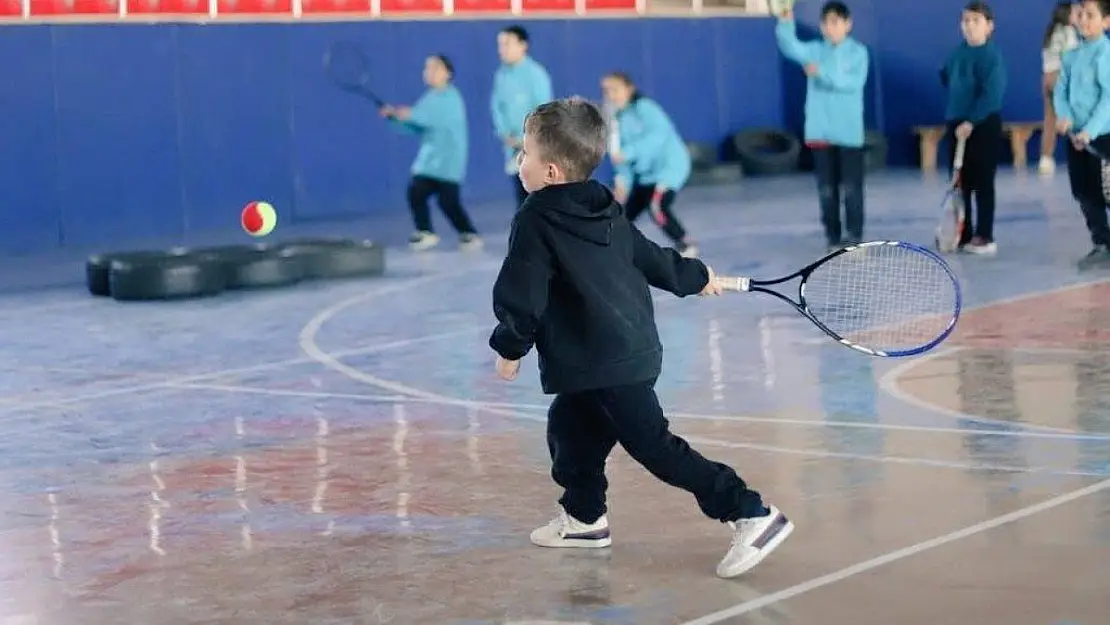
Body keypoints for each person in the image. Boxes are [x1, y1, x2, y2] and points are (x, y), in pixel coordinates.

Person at [487, 97, 793, 579]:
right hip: (620, 353)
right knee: (569, 427)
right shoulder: (603, 206)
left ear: (548, 171)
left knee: (655, 448)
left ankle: (750, 512)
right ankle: (585, 519)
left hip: (606, 363)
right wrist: (693, 276)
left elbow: (523, 291)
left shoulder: (535, 218)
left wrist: (510, 347)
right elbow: (648, 256)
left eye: (523, 153)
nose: (517, 162)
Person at [775, 1, 870, 252]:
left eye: (836, 22)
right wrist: (785, 22)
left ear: (848, 24)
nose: (831, 27)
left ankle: (853, 237)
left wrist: (821, 73)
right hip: (820, 134)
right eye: (826, 22)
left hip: (849, 135)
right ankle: (833, 236)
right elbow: (790, 47)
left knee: (852, 189)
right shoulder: (815, 50)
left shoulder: (858, 53)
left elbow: (852, 82)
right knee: (826, 191)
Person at [382, 54, 481, 252]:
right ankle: (425, 232)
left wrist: (407, 114)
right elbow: (416, 126)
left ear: (448, 73)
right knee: (415, 191)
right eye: (427, 68)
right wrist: (394, 119)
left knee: (448, 202)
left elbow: (433, 118)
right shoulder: (428, 98)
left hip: (449, 161)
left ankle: (469, 233)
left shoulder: (452, 97)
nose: (430, 72)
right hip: (429, 161)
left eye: (436, 67)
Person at [601, 72, 700, 258]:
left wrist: (628, 152)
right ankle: (610, 248)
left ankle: (686, 244)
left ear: (629, 89)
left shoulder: (646, 108)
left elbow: (657, 138)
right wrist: (622, 181)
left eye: (615, 89)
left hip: (669, 169)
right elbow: (621, 160)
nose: (611, 95)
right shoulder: (616, 120)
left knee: (656, 205)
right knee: (621, 213)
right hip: (644, 176)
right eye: (607, 91)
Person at [940, 1, 1007, 255]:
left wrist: (972, 120)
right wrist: (959, 118)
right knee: (961, 183)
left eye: (975, 21)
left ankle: (985, 235)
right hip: (956, 123)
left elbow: (993, 95)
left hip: (983, 125)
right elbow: (946, 77)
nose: (969, 26)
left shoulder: (992, 57)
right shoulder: (956, 54)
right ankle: (963, 232)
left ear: (989, 26)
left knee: (983, 182)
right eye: (965, 21)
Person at [1054, 0, 1110, 269]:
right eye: (1081, 15)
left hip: (1102, 138)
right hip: (1076, 139)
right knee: (1084, 191)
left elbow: (1108, 100)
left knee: (1106, 191)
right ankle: (1102, 243)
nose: (1084, 20)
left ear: (1106, 21)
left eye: (1091, 15)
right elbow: (1060, 92)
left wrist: (1090, 131)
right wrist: (1064, 117)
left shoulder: (1105, 54)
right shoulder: (1070, 56)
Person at [491, 25, 554, 210]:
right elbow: (496, 107)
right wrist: (505, 134)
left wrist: (525, 140)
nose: (502, 49)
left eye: (507, 44)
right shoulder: (501, 75)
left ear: (522, 45)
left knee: (536, 200)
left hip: (534, 148)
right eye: (500, 44)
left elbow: (543, 111)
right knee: (523, 199)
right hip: (512, 150)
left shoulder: (536, 74)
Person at [1041, 1, 1081, 175]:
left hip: (1047, 77)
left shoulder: (1050, 32)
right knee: (1076, 116)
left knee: (1050, 119)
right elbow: (1071, 57)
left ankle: (1045, 159)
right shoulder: (1069, 32)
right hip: (1061, 77)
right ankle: (1082, 151)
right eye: (1075, 13)